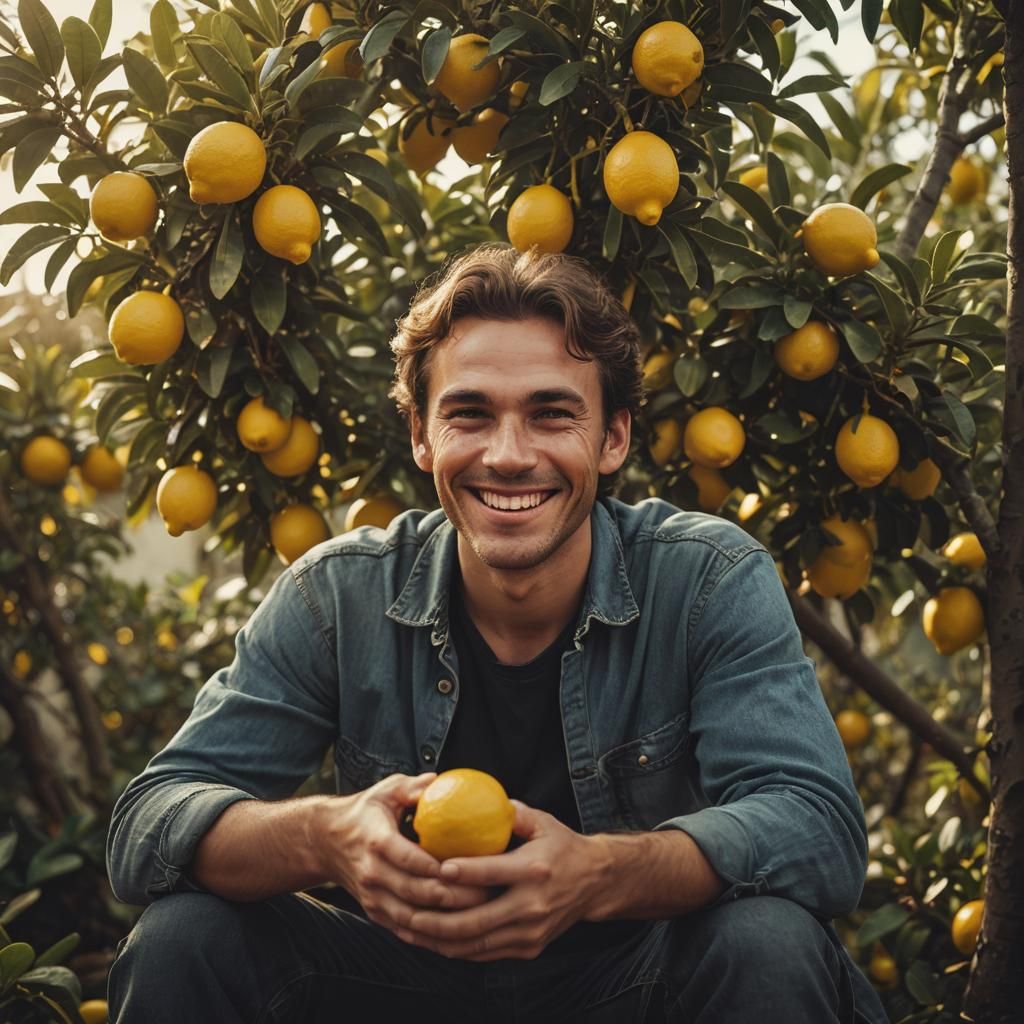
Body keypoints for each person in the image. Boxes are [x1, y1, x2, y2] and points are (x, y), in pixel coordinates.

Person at [106, 244, 889, 1023]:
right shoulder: (336, 595)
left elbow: (815, 829)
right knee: (185, 936)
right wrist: (324, 835)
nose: (509, 456)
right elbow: (149, 824)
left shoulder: (708, 580)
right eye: (469, 414)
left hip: (634, 985)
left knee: (768, 939)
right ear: (421, 436)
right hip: (397, 988)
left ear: (613, 439)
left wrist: (599, 874)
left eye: (551, 413)